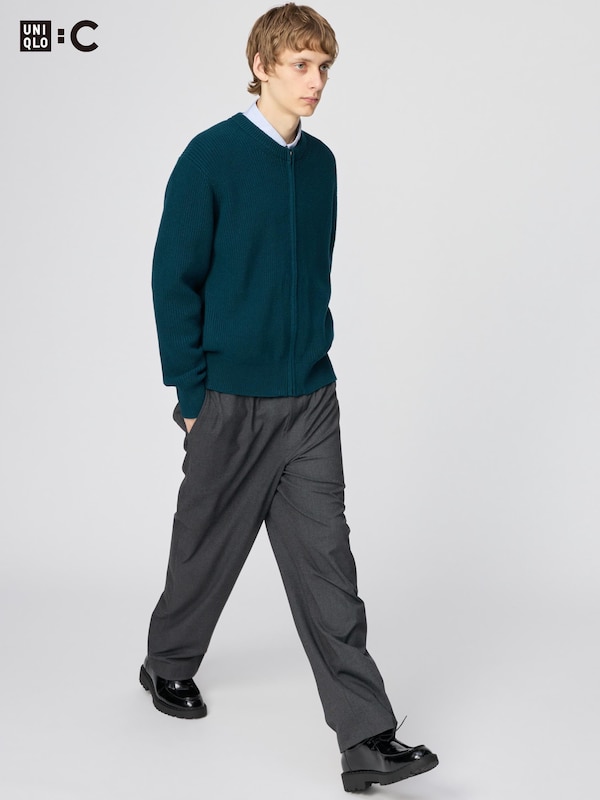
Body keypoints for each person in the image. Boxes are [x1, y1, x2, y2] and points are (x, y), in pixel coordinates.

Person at [140, 3, 438, 791]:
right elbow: (174, 281)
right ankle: (167, 661)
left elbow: (310, 276)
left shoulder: (322, 165)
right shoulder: (210, 157)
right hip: (229, 401)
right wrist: (192, 395)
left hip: (309, 398)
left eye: (324, 67)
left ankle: (367, 739)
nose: (316, 82)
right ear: (262, 65)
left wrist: (311, 359)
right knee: (206, 549)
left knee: (329, 565)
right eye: (301, 65)